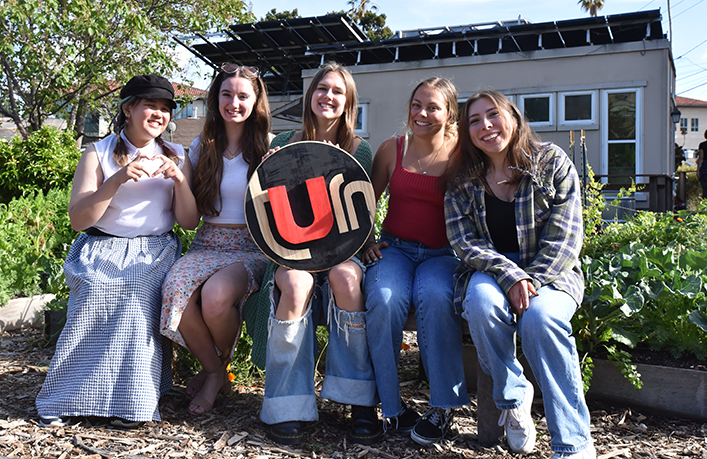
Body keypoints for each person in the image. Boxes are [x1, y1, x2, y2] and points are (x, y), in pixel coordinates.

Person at [36, 74, 198, 428]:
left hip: (154, 250)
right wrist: (117, 179)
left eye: (165, 108)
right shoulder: (98, 153)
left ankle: (133, 402)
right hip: (101, 247)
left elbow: (188, 221)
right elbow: (79, 219)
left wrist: (180, 180)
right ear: (128, 109)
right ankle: (66, 396)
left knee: (137, 291)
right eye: (150, 106)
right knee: (95, 291)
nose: (158, 114)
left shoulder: (176, 155)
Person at [443, 90, 595, 458]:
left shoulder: (551, 162)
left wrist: (532, 280)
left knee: (540, 321)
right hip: (490, 269)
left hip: (551, 271)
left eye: (493, 114)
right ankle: (513, 398)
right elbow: (464, 242)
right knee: (479, 303)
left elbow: (566, 238)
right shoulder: (463, 179)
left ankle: (572, 442)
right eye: (474, 121)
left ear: (513, 116)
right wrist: (509, 275)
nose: (485, 126)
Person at [243, 62, 381, 446]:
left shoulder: (359, 149)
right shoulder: (283, 141)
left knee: (346, 277)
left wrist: (366, 242)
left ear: (348, 102)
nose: (329, 96)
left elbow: (359, 214)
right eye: (322, 89)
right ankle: (287, 402)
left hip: (339, 249)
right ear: (311, 96)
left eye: (338, 91)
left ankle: (358, 399)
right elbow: (265, 207)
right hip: (293, 251)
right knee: (295, 283)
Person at [362, 77, 468, 446]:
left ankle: (442, 407)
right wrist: (366, 243)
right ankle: (391, 407)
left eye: (433, 107)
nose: (422, 113)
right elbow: (366, 203)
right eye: (416, 105)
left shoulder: (463, 153)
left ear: (450, 113)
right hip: (396, 250)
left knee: (438, 300)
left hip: (442, 255)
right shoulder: (392, 149)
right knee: (383, 301)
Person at [160, 63, 271, 415]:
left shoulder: (269, 147)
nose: (233, 102)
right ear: (215, 98)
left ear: (256, 102)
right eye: (226, 94)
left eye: (243, 96)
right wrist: (179, 180)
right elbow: (190, 222)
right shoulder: (200, 146)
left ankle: (213, 373)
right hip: (208, 242)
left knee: (215, 296)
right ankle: (216, 371)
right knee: (174, 285)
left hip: (251, 246)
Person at [697, 130, 707, 198]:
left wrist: (698, 170)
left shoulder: (702, 145)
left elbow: (701, 158)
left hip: (705, 167)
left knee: (705, 188)